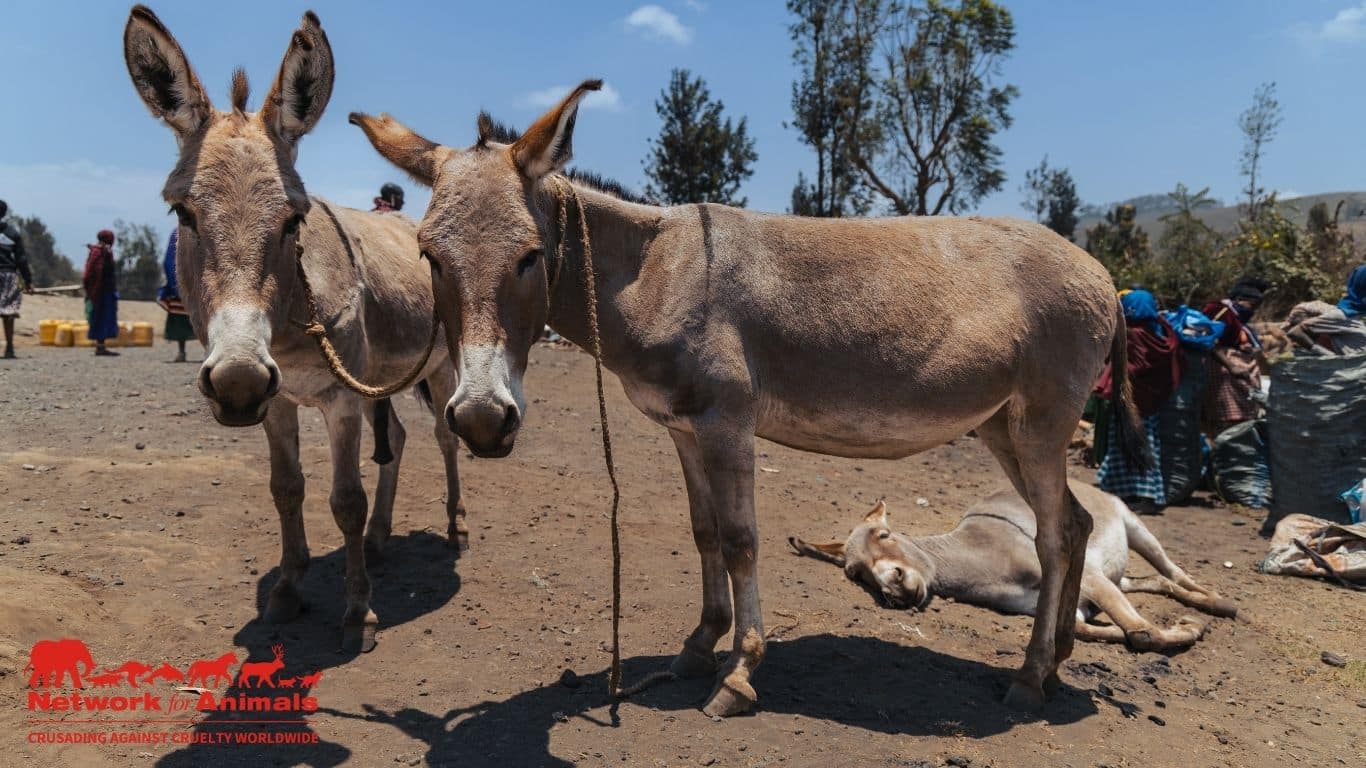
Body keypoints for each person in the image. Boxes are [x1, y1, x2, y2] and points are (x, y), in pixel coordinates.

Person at [1094, 289, 1184, 512]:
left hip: (1131, 399)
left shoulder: (1134, 333)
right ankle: (1129, 492)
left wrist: (1112, 374)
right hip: (1151, 400)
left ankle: (1144, 496)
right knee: (1143, 443)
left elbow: (1137, 365)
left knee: (1130, 443)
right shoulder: (1163, 331)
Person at [1202, 279, 1265, 435]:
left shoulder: (1235, 318)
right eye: (1253, 306)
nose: (1253, 311)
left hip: (1232, 373)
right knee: (1227, 419)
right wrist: (1231, 366)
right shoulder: (1220, 311)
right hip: (1223, 372)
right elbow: (1207, 340)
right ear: (1239, 300)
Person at [0, 200, 33, 359]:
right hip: (9, 276)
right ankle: (9, 348)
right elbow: (21, 259)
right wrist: (28, 281)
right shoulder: (12, 233)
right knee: (8, 313)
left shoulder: (13, 233)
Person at [157, 230, 197, 362]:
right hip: (189, 285)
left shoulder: (176, 233)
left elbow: (168, 261)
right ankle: (205, 351)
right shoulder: (179, 233)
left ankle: (182, 352)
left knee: (182, 320)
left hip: (181, 285)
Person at [83, 229, 120, 357]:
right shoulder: (97, 252)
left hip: (108, 291)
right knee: (99, 318)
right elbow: (90, 272)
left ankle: (101, 345)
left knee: (105, 318)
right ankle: (100, 347)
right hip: (100, 292)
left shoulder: (106, 252)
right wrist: (91, 289)